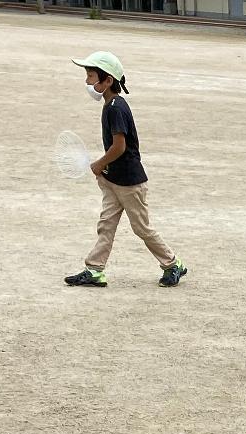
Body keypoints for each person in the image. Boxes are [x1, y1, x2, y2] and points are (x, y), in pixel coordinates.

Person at [64, 51, 189, 289]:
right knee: (106, 225)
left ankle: (173, 265)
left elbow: (119, 146)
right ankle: (94, 270)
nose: (87, 82)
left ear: (108, 80)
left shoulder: (115, 108)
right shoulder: (110, 105)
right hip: (114, 180)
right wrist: (105, 171)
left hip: (130, 183)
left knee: (142, 228)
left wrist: (99, 163)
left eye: (91, 76)